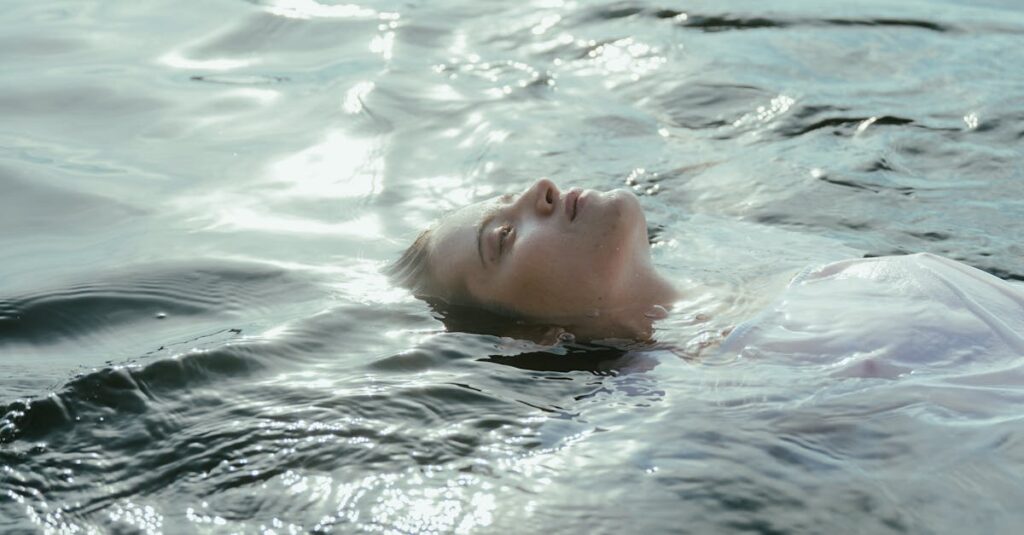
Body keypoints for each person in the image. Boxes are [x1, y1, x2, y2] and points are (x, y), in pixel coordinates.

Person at [388, 179, 1024, 360]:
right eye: (503, 237)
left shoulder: (756, 257)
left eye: (510, 194)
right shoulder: (699, 402)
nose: (540, 190)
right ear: (528, 334)